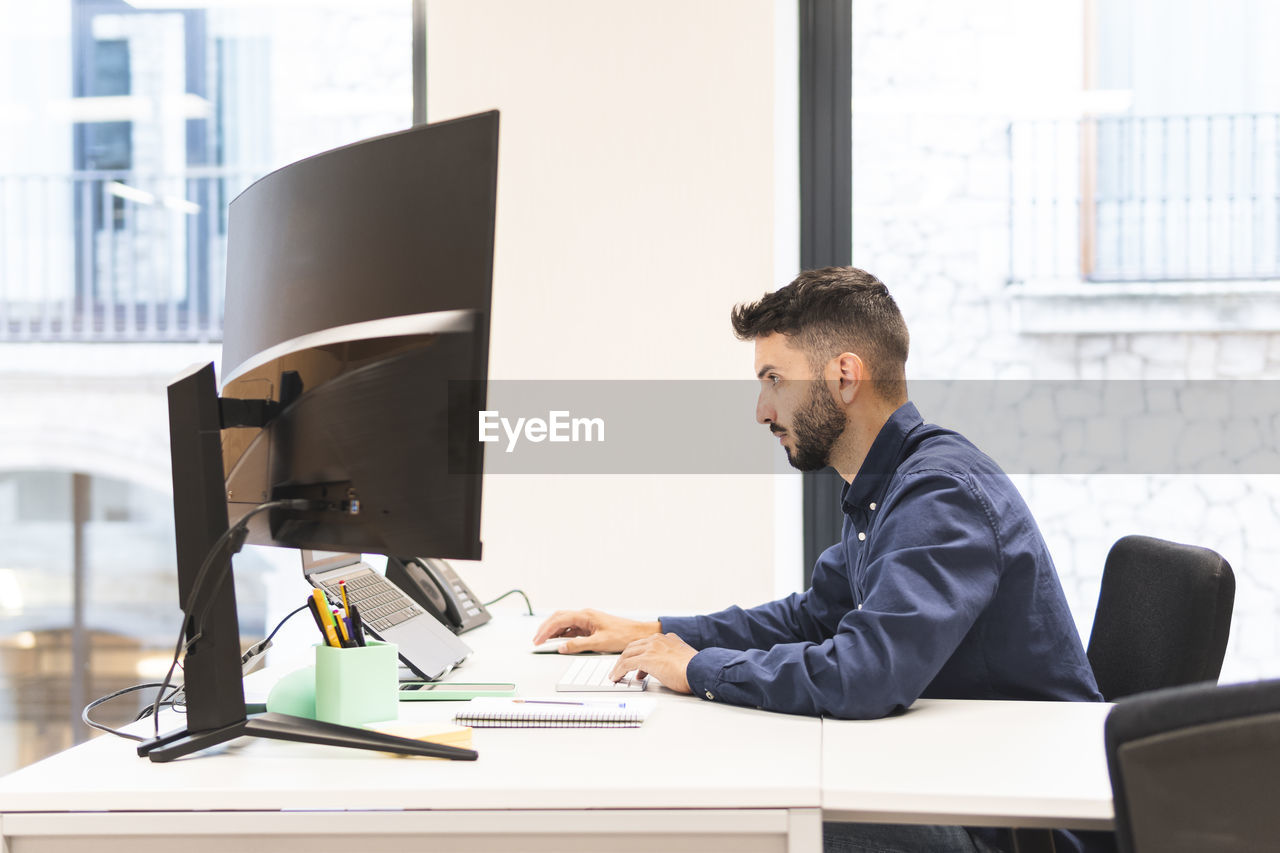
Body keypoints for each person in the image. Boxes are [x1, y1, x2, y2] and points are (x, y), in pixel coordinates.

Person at [533, 267, 1106, 853]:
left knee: (745, 822)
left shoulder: (939, 493)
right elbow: (811, 618)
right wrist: (655, 632)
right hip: (965, 779)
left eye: (775, 380)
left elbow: (867, 672)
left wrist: (698, 670)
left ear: (844, 375)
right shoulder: (885, 487)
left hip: (1014, 823)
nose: (761, 410)